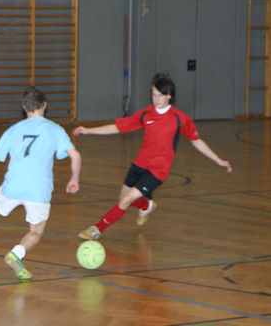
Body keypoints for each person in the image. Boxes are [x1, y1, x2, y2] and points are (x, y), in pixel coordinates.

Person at [73, 73, 232, 240]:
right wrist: (89, 130)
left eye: (160, 95)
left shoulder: (180, 119)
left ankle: (97, 229)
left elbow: (196, 141)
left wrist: (218, 160)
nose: (156, 99)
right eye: (154, 95)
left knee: (126, 200)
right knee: (124, 199)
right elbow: (118, 127)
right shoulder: (145, 114)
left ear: (169, 95)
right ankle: (147, 205)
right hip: (139, 165)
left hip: (157, 170)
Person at [0, 86, 82, 280]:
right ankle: (16, 254)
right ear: (45, 105)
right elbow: (75, 157)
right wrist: (74, 179)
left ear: (23, 107)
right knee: (36, 232)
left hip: (12, 185)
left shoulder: (14, 130)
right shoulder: (55, 129)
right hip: (39, 189)